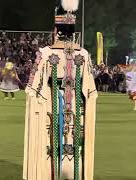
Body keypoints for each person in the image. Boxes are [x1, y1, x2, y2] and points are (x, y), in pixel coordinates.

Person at [23, 1, 97, 179]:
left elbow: (33, 88)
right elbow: (91, 92)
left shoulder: (46, 53)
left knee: (49, 146)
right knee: (74, 146)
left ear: (56, 30)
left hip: (51, 107)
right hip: (76, 111)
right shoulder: (83, 54)